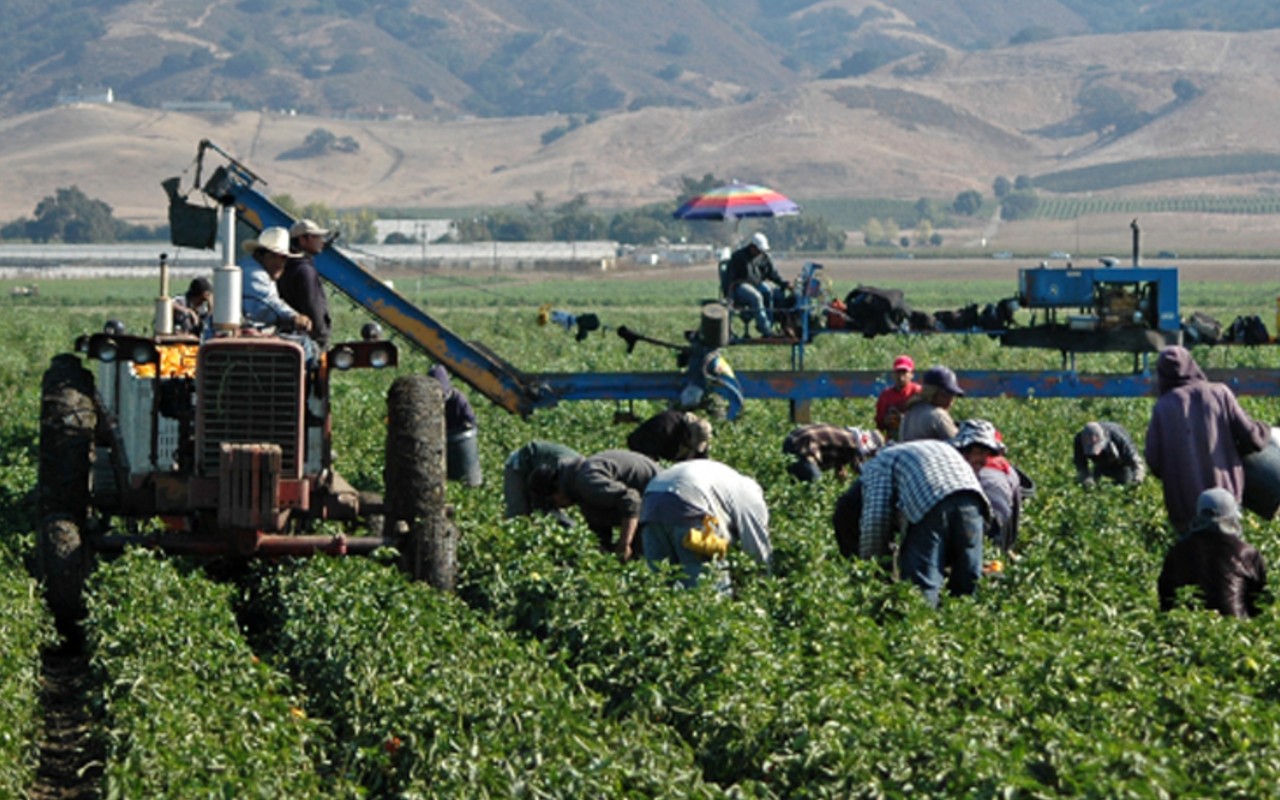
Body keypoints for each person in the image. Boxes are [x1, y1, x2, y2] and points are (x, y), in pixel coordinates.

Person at [849, 439, 990, 607]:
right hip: (972, 500)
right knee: (968, 576)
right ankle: (966, 623)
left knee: (923, 582)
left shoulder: (878, 465)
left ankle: (925, 626)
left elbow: (876, 521)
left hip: (930, 500)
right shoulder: (932, 447)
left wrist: (874, 567)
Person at [1145, 345, 1270, 533]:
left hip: (1185, 507)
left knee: (1194, 558)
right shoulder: (1220, 393)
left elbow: (1154, 461)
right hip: (1225, 499)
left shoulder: (1162, 408)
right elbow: (1251, 438)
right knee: (1230, 554)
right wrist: (1265, 430)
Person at [640, 459, 771, 590]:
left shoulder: (729, 480)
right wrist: (765, 581)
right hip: (690, 501)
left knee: (659, 581)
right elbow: (756, 544)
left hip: (651, 502)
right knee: (708, 586)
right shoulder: (751, 499)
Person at [529, 449, 660, 561]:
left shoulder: (587, 481)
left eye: (553, 502)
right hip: (651, 503)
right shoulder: (578, 488)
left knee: (643, 558)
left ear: (557, 489)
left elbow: (631, 500)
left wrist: (624, 544)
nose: (559, 507)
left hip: (662, 499)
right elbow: (599, 523)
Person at [1158, 488, 1266, 618]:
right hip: (1234, 628)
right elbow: (1259, 600)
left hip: (1186, 625)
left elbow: (1166, 596)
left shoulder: (1179, 550)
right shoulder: (1246, 552)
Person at [950, 419, 1029, 554]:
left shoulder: (990, 481)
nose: (982, 458)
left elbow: (993, 527)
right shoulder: (982, 472)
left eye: (984, 453)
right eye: (978, 452)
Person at [240, 227, 313, 335]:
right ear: (261, 254)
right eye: (274, 256)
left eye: (284, 258)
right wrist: (294, 317)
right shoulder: (254, 274)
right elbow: (268, 303)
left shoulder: (252, 268)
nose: (280, 263)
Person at [722, 232, 787, 337]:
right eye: (758, 250)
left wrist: (784, 284)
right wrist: (729, 296)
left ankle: (769, 324)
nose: (760, 253)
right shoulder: (738, 257)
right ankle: (765, 329)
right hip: (740, 286)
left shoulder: (763, 257)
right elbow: (730, 279)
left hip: (756, 285)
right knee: (756, 297)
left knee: (769, 292)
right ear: (752, 247)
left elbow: (772, 274)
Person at [282, 219, 334, 349]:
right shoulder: (305, 271)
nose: (321, 241)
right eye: (316, 237)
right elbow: (313, 308)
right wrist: (322, 339)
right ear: (302, 239)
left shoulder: (284, 267)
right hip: (307, 342)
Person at [429, 364, 481, 486]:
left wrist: (465, 426)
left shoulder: (458, 399)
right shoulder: (430, 401)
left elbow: (470, 420)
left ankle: (467, 481)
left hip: (457, 435)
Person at [502, 440, 580, 522]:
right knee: (519, 514)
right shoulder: (562, 471)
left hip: (544, 471)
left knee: (550, 513)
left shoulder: (582, 481)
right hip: (519, 464)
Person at [782, 424, 883, 482]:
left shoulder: (848, 436)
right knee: (816, 485)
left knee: (796, 481)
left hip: (792, 440)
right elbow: (862, 474)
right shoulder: (855, 445)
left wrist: (840, 471)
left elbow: (836, 450)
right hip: (804, 444)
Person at [897, 365, 963, 443]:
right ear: (932, 392)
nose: (951, 402)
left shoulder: (909, 413)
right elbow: (958, 445)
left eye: (953, 396)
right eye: (946, 395)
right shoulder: (938, 416)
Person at [1074, 420, 1145, 487]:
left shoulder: (1118, 437)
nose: (1096, 453)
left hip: (1121, 462)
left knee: (1125, 481)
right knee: (1092, 484)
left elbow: (1136, 462)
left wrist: (1137, 479)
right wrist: (1086, 479)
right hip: (1100, 463)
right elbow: (1080, 464)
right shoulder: (1079, 440)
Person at [626, 408, 712, 462]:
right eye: (692, 443)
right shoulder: (665, 427)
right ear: (687, 435)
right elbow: (649, 459)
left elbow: (702, 462)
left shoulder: (700, 435)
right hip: (641, 446)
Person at [874, 354, 922, 441]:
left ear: (911, 374)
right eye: (898, 372)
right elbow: (879, 424)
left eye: (904, 372)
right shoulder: (885, 396)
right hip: (893, 439)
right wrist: (885, 421)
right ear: (893, 374)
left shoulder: (918, 392)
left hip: (915, 438)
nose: (901, 376)